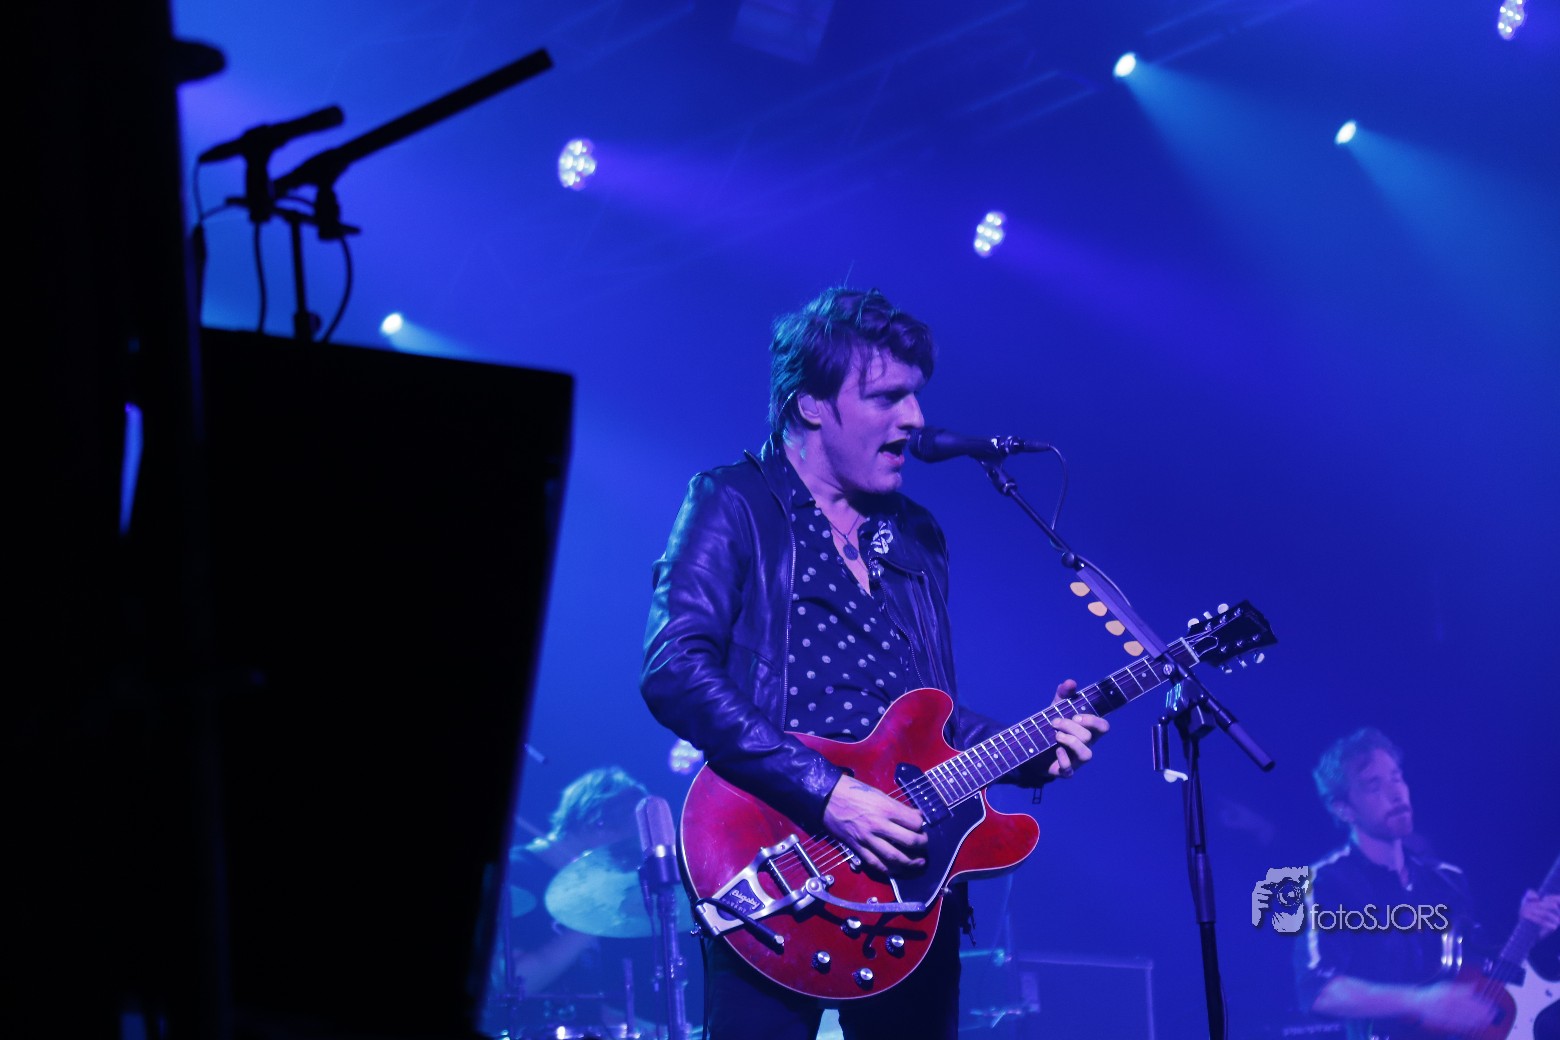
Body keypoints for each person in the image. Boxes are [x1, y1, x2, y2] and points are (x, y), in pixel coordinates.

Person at [640, 286, 1108, 1039]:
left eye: (915, 396)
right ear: (810, 405)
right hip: (779, 860)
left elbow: (924, 714)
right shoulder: (734, 502)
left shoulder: (916, 534)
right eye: (887, 397)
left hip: (910, 881)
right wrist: (829, 794)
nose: (915, 419)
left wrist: (1034, 747)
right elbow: (675, 668)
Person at [1294, 728, 1560, 1039]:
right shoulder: (1327, 883)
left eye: (1397, 778)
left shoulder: (1446, 879)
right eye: (1374, 785)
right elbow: (1318, 989)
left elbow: (1479, 968)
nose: (1396, 793)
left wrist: (1528, 930)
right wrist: (1419, 1001)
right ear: (1343, 808)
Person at [485, 766, 651, 1039]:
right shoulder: (514, 874)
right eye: (626, 843)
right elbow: (515, 983)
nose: (627, 861)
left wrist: (640, 1028)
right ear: (597, 823)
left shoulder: (584, 886)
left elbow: (580, 1004)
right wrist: (594, 919)